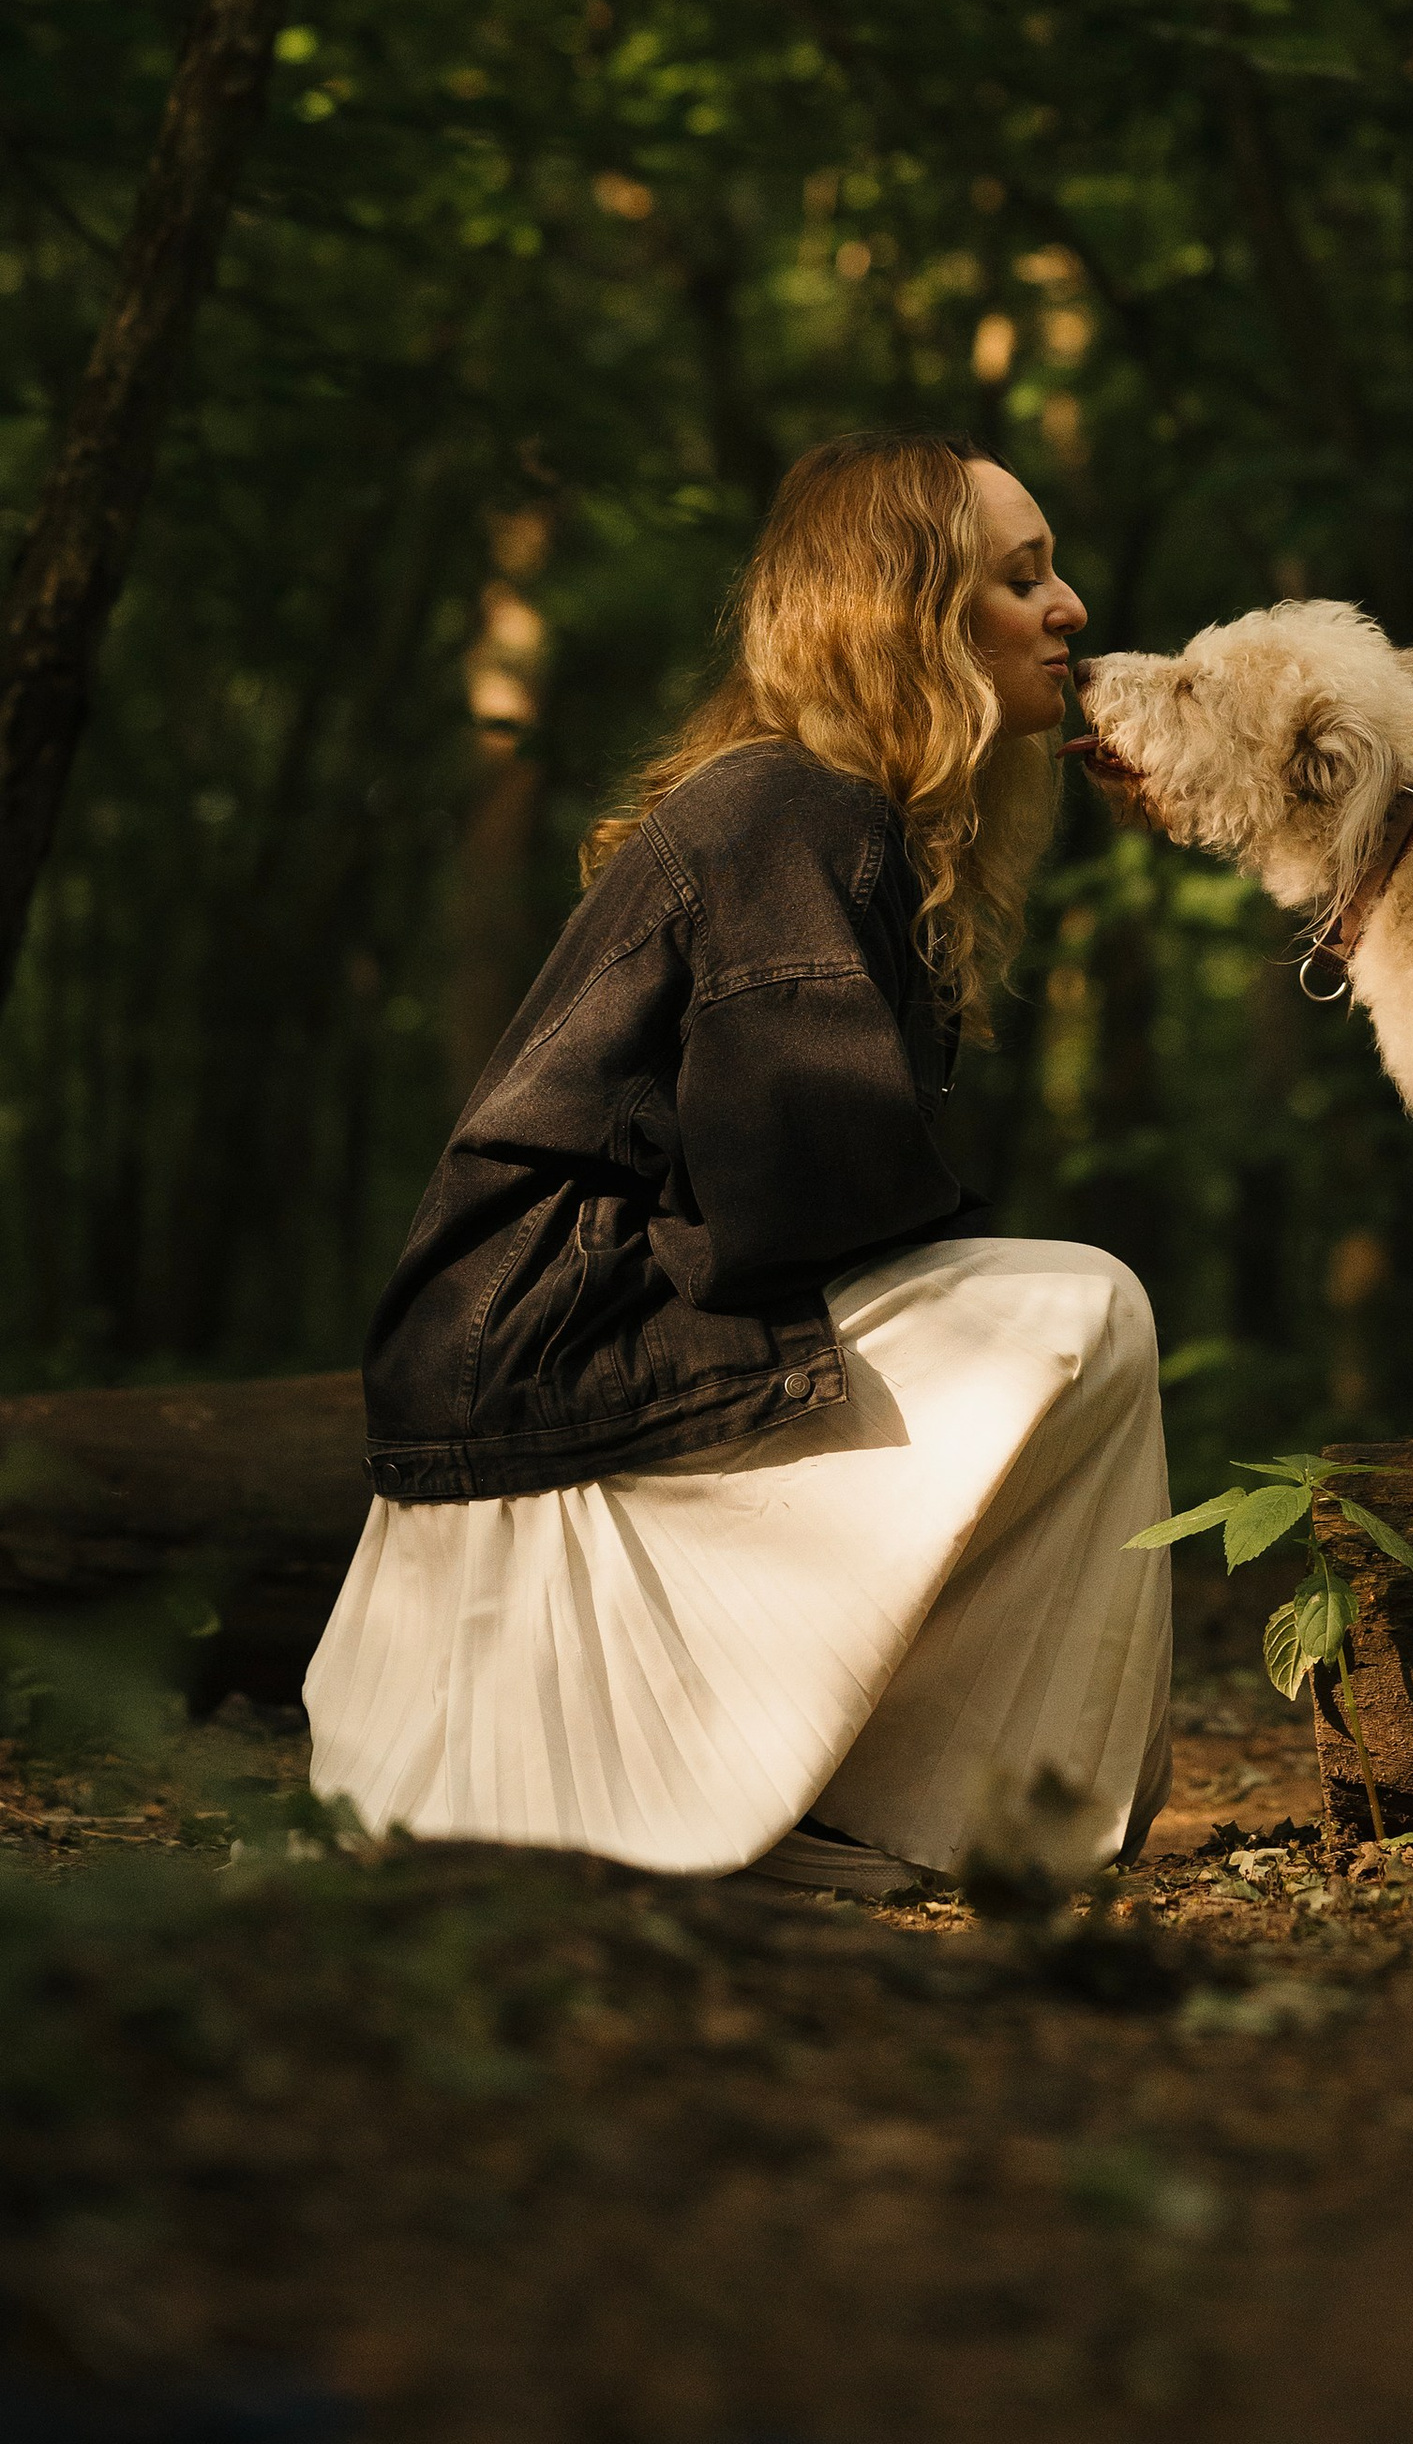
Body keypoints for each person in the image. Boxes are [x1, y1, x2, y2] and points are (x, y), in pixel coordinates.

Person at [304, 430, 1170, 1898]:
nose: (1070, 606)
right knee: (1079, 1308)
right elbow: (807, 1191)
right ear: (911, 616)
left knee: (1069, 1314)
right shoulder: (794, 807)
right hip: (543, 1372)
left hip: (564, 1357)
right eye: (1022, 578)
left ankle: (914, 1812)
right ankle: (924, 1814)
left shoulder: (828, 813)